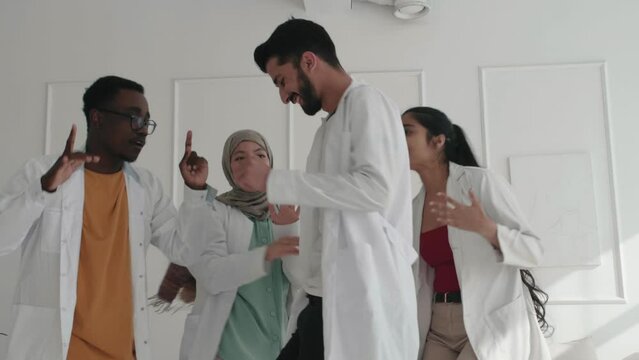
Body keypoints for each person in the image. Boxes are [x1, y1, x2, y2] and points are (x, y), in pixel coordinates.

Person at [0, 76, 202, 360]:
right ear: (97, 118)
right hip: (54, 351)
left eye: (147, 122)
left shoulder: (146, 187)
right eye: (134, 118)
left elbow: (186, 249)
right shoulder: (43, 172)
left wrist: (194, 192)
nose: (142, 130)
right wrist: (43, 190)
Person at [251, 18, 419, 360]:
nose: (284, 96)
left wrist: (275, 181)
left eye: (282, 81)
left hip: (359, 300)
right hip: (323, 301)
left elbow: (375, 190)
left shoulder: (367, 102)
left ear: (309, 61)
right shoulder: (326, 132)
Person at [402, 106, 552, 360]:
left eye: (406, 131)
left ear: (438, 141)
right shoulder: (414, 207)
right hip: (436, 325)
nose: (396, 140)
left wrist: (487, 229)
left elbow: (534, 252)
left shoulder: (481, 183)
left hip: (487, 322)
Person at [153, 129, 301, 360]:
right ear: (228, 168)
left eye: (260, 155)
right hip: (224, 353)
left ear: (271, 162)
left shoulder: (289, 211)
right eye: (239, 157)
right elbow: (211, 274)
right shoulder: (216, 211)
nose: (251, 163)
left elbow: (303, 281)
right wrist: (264, 255)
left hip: (278, 351)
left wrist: (290, 227)